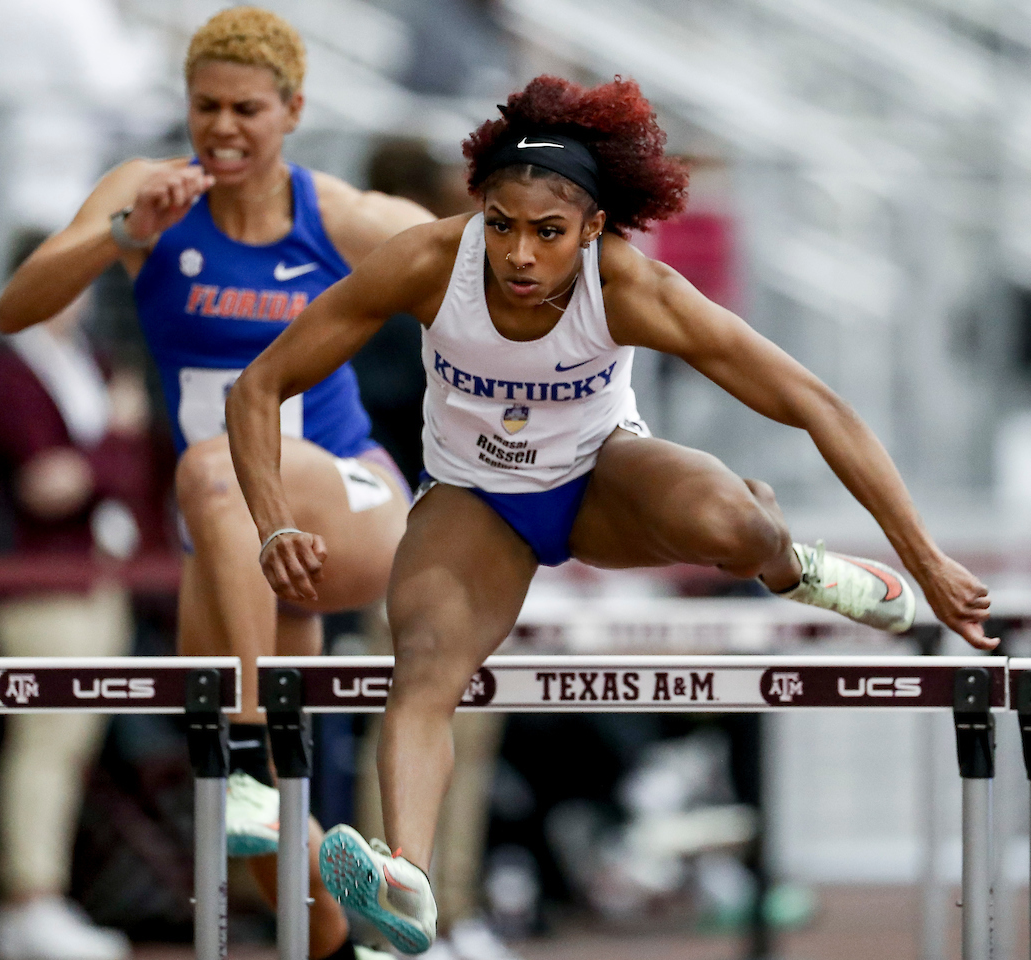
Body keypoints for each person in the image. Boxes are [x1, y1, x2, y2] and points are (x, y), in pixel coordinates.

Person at [224, 74, 995, 955]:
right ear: (478, 209)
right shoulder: (431, 262)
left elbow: (815, 403)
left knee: (738, 532)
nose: (518, 256)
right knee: (424, 667)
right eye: (502, 226)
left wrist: (924, 556)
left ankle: (796, 565)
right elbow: (260, 386)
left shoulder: (629, 287)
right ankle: (408, 882)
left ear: (592, 230)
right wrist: (274, 520)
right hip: (476, 504)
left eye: (547, 234)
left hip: (598, 483)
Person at [0, 9, 431, 960]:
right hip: (230, 542)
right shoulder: (148, 198)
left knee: (211, 464)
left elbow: (482, 265)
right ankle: (351, 938)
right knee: (265, 837)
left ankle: (242, 753)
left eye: (247, 109)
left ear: (294, 111)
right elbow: (17, 305)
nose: (223, 128)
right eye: (204, 108)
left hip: (347, 504)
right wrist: (119, 234)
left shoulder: (340, 215)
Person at [0, 232, 157, 960]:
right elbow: (47, 485)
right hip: (40, 583)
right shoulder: (4, 369)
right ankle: (28, 896)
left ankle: (48, 893)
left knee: (73, 743)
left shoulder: (90, 358)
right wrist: (114, 438)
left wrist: (104, 460)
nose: (77, 291)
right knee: (46, 739)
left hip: (100, 577)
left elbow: (115, 469)